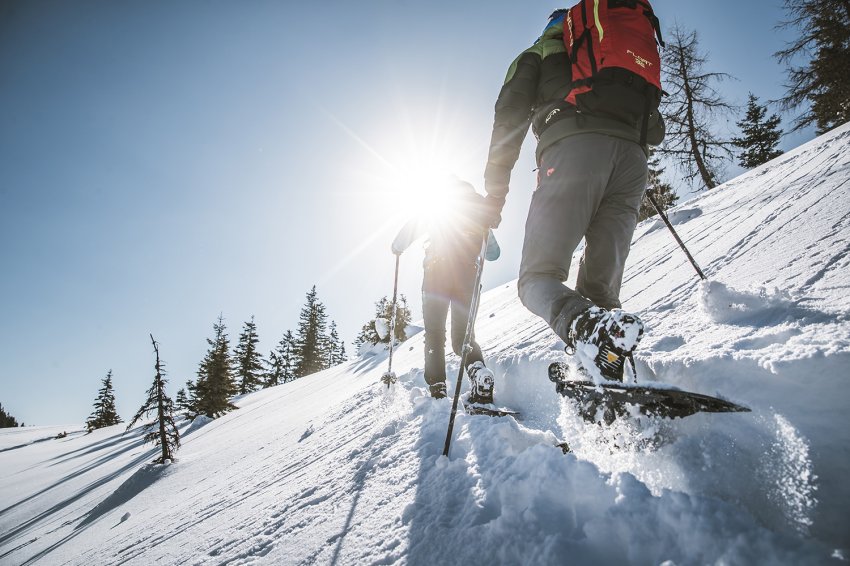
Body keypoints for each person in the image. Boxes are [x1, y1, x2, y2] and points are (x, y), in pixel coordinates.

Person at [479, 9, 666, 382]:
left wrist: (494, 196)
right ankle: (601, 374)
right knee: (601, 293)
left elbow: (508, 121)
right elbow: (655, 131)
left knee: (536, 280)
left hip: (572, 154)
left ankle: (585, 329)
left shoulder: (537, 54)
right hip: (632, 163)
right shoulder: (614, 57)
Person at [391, 177, 500, 402]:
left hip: (436, 277)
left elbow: (409, 231)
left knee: (434, 334)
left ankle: (438, 387)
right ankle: (479, 373)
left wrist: (397, 247)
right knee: (463, 336)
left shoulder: (437, 209)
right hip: (468, 279)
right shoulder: (479, 216)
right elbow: (493, 254)